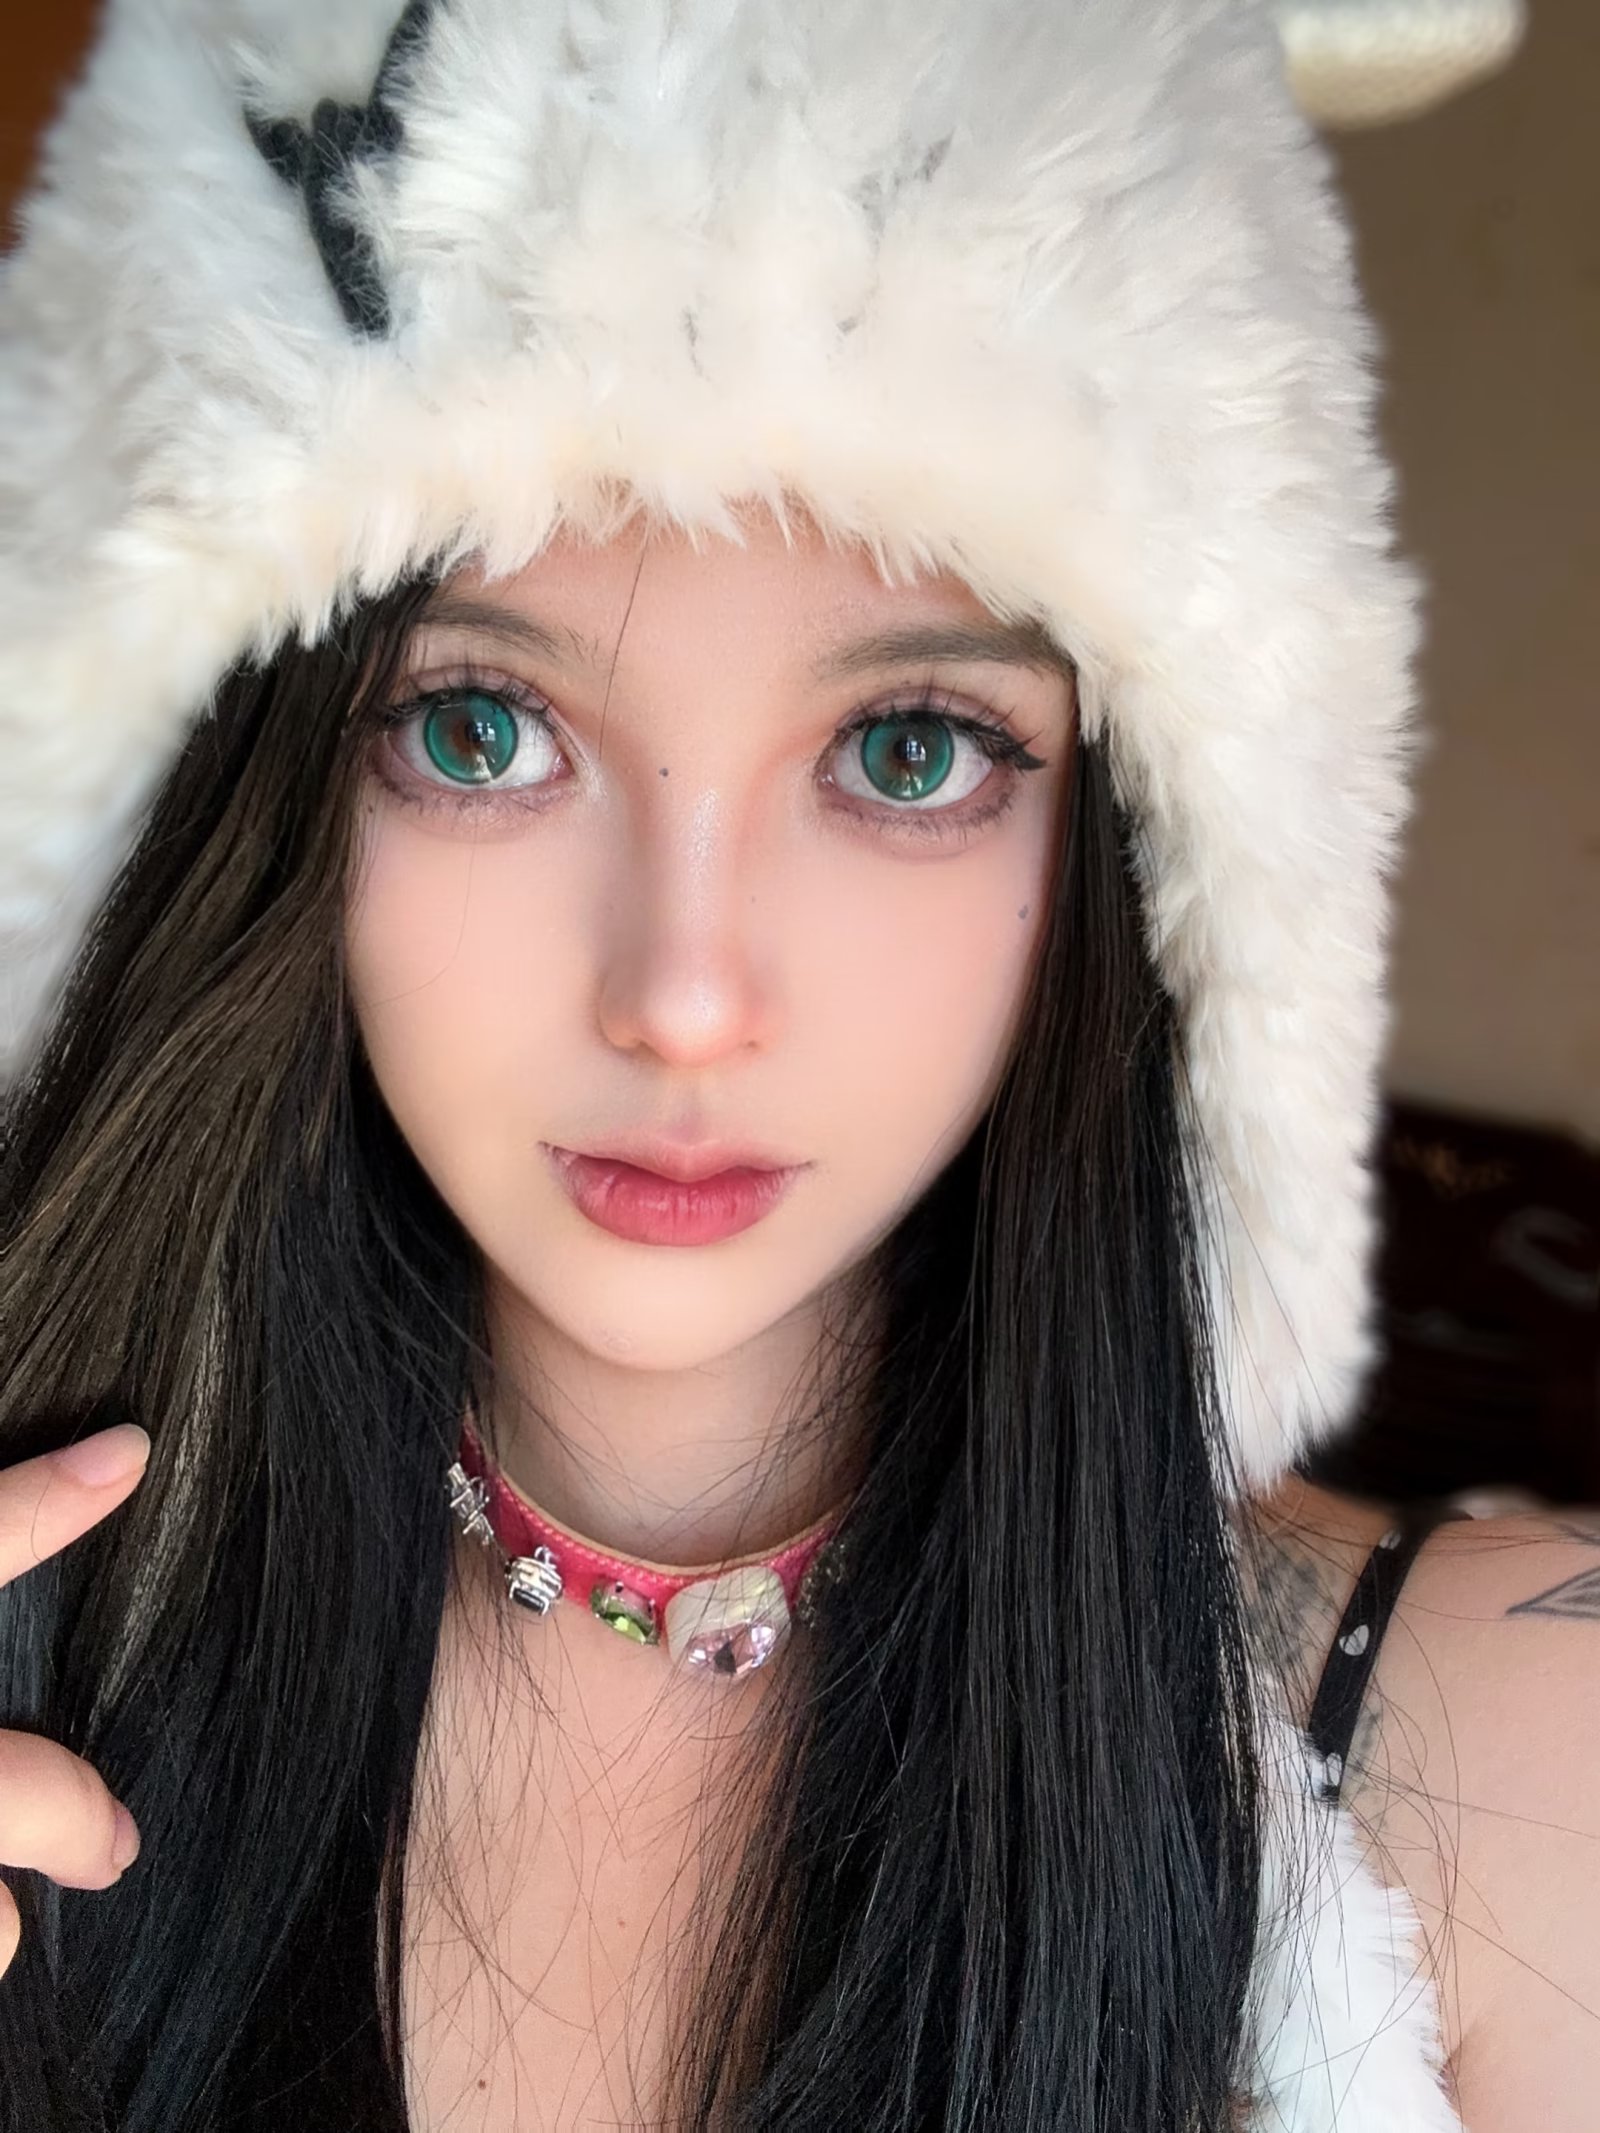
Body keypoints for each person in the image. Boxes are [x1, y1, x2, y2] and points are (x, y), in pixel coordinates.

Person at [0, 1, 1593, 2127]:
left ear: (1132, 852)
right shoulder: (47, 1648)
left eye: (908, 751)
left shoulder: (1507, 1778)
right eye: (480, 729)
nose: (683, 994)